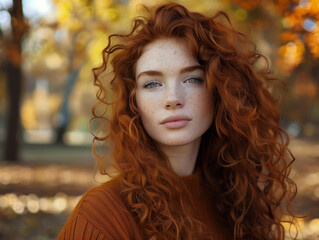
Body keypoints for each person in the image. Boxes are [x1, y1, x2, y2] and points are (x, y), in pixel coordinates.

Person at [58, 2, 298, 240]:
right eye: (152, 83)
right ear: (134, 103)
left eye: (192, 79)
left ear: (220, 91)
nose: (173, 99)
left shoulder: (238, 203)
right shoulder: (101, 215)